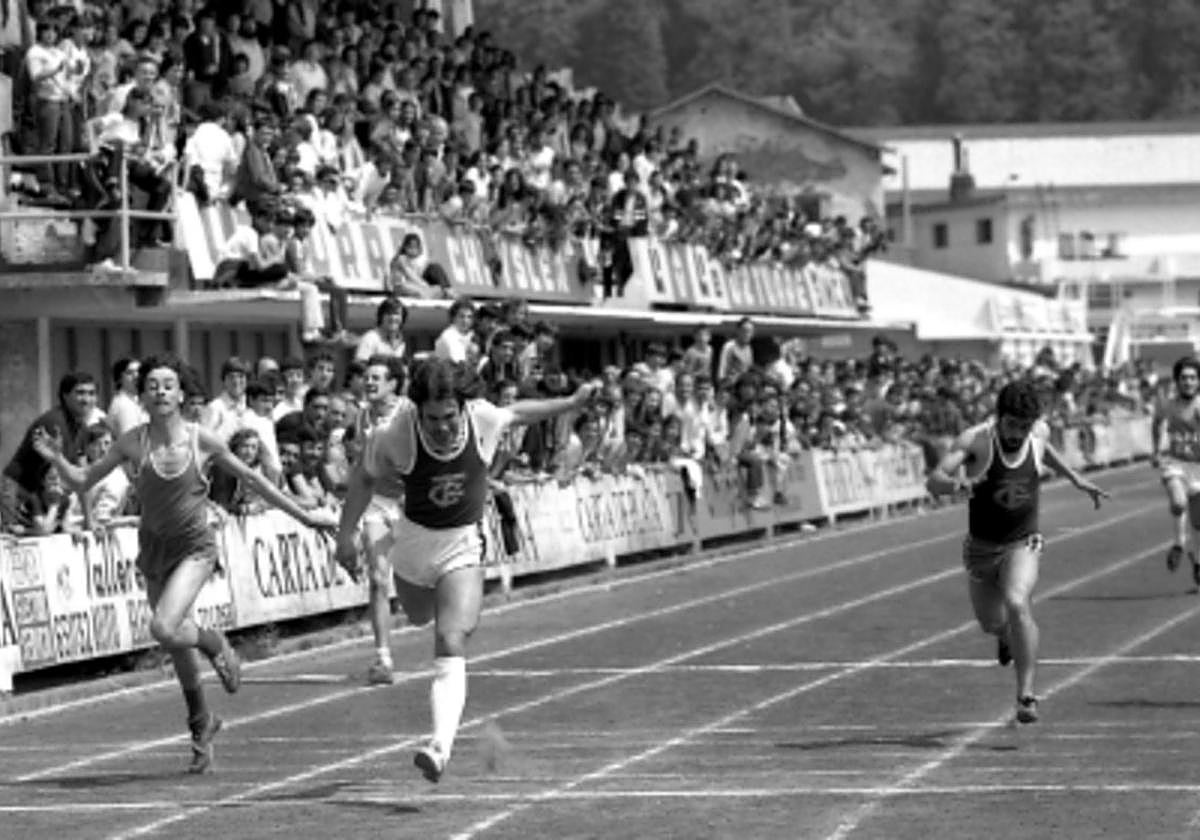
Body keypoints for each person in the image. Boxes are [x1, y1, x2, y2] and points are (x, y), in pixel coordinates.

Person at [32, 354, 337, 773]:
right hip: (154, 548)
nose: (160, 390)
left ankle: (215, 643)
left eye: (168, 384)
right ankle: (201, 723)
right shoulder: (131, 442)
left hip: (196, 546)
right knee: (174, 642)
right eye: (152, 384)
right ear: (141, 397)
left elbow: (254, 480)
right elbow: (83, 481)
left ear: (179, 394)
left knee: (163, 626)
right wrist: (55, 458)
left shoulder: (201, 440)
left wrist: (304, 516)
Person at [334, 358, 600, 782]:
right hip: (413, 545)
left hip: (461, 545)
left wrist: (571, 401)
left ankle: (439, 747)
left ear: (464, 407)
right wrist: (345, 536)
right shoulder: (396, 436)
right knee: (419, 615)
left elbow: (521, 413)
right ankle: (439, 722)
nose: (441, 427)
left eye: (449, 417)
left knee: (451, 637)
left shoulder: (484, 420)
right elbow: (363, 480)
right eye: (432, 419)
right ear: (417, 412)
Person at [926, 380, 1109, 725]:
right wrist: (956, 484)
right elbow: (933, 480)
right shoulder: (975, 440)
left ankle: (1026, 695)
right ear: (999, 418)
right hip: (981, 548)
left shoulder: (1037, 432)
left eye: (1024, 427)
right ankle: (1006, 638)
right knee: (991, 622)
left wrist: (1075, 478)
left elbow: (1044, 451)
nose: (1017, 434)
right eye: (1012, 425)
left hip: (1022, 540)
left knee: (1016, 601)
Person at [353, 355, 407, 685]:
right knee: (377, 577)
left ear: (392, 384)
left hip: (411, 503)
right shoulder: (362, 416)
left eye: (376, 378)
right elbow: (363, 463)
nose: (369, 382)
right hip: (378, 502)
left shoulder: (409, 413)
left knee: (425, 578)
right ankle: (382, 657)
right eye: (367, 377)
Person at [1152, 357, 1200, 585]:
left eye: (1192, 378)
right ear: (1177, 381)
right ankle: (1179, 544)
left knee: (1198, 522)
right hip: (1175, 463)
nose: (1188, 382)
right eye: (1184, 378)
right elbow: (1156, 422)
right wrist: (1155, 450)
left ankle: (1197, 560)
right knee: (1178, 503)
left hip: (1198, 468)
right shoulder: (1168, 404)